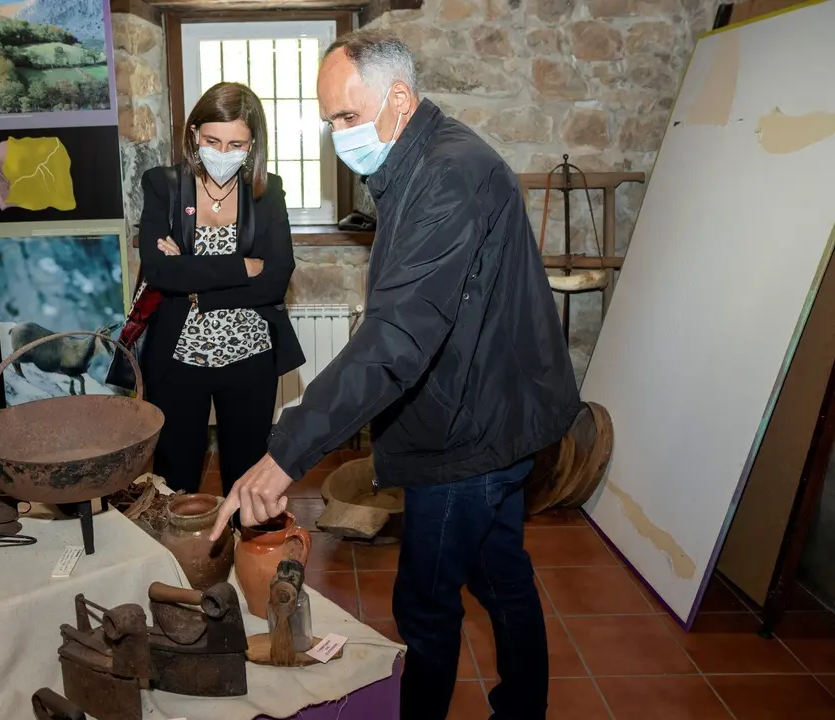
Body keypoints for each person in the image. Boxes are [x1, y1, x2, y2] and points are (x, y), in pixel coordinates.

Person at [211, 30, 580, 720]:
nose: (338, 136)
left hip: (467, 435)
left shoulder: (448, 175)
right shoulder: (422, 159)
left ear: (400, 100)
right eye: (329, 123)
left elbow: (400, 336)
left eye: (347, 118)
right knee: (502, 577)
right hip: (494, 415)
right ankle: (524, 708)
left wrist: (285, 452)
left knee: (429, 606)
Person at [137, 82, 305, 496]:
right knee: (175, 477)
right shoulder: (164, 186)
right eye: (213, 140)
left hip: (250, 357)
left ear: (253, 145)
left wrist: (196, 284)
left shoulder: (268, 192)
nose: (223, 153)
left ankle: (242, 555)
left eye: (236, 144)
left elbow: (277, 278)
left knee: (247, 478)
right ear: (194, 134)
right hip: (177, 359)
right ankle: (179, 560)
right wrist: (241, 266)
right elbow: (159, 272)